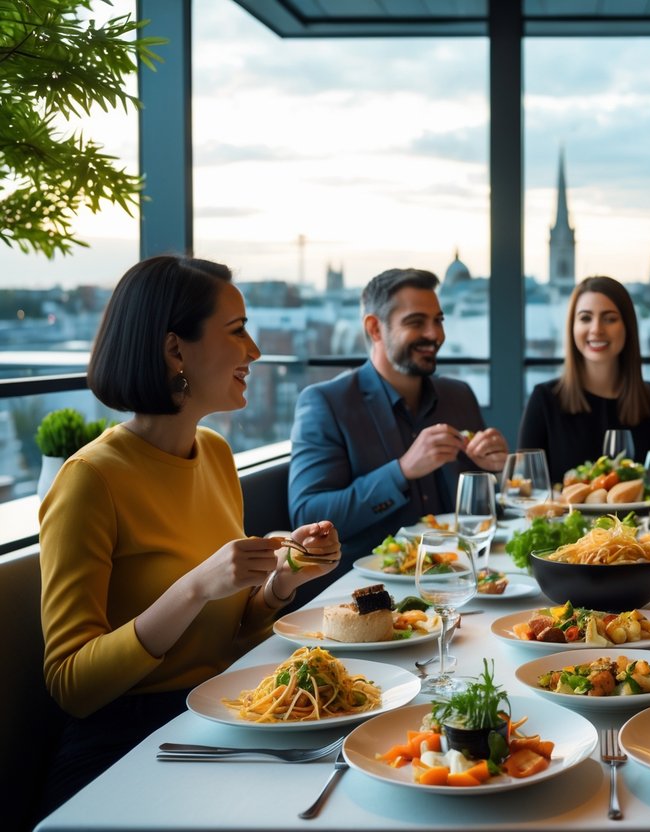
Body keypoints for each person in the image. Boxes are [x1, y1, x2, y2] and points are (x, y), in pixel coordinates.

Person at [38, 255, 341, 815]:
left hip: (220, 719)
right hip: (126, 749)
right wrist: (194, 587)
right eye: (237, 331)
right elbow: (70, 685)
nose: (253, 350)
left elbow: (228, 635)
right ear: (176, 349)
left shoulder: (217, 454)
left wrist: (278, 583)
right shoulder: (89, 479)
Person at [289, 268, 509, 563]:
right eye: (416, 322)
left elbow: (488, 515)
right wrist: (402, 471)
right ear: (375, 329)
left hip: (466, 573)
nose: (434, 335)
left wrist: (496, 472)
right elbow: (308, 515)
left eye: (438, 321)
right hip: (370, 587)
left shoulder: (459, 396)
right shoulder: (326, 403)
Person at [518, 275, 650, 484]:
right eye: (585, 318)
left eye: (610, 319)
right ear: (572, 327)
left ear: (627, 327)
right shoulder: (544, 399)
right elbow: (524, 489)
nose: (596, 329)